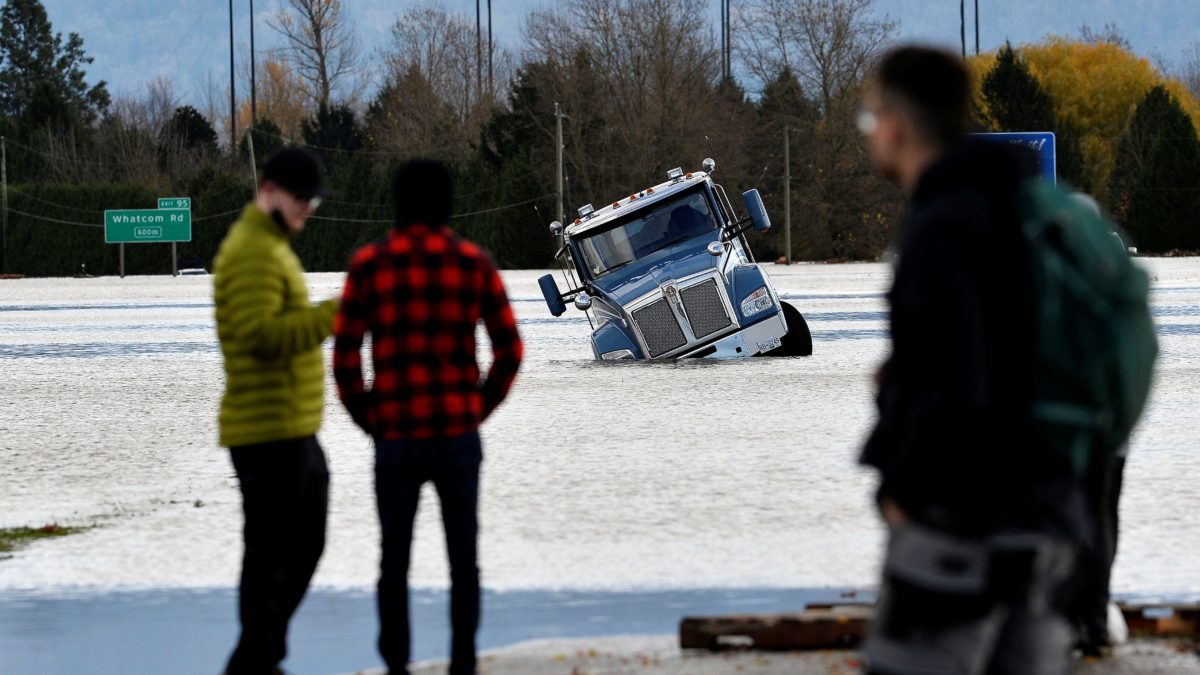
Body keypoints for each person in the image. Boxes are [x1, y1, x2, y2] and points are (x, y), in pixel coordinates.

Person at [857, 46, 1089, 674]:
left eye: (870, 116)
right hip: (1051, 519)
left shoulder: (944, 227)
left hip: (962, 523)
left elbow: (953, 384)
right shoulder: (1026, 210)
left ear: (897, 124)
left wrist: (901, 488)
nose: (871, 132)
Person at [333, 159, 524, 675]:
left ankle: (396, 664)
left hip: (395, 436)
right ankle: (463, 661)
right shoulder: (473, 263)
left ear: (395, 202)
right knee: (465, 559)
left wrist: (370, 418)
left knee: (393, 559)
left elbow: (345, 357)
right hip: (458, 435)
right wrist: (476, 409)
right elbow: (509, 350)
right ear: (446, 202)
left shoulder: (370, 265)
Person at [213, 147, 338, 675]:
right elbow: (262, 337)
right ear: (269, 192)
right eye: (300, 198)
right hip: (266, 433)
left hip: (292, 428)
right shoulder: (252, 253)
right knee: (268, 556)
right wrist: (338, 312)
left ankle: (261, 655)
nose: (308, 208)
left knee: (304, 545)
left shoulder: (272, 246)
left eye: (312, 199)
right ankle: (255, 662)